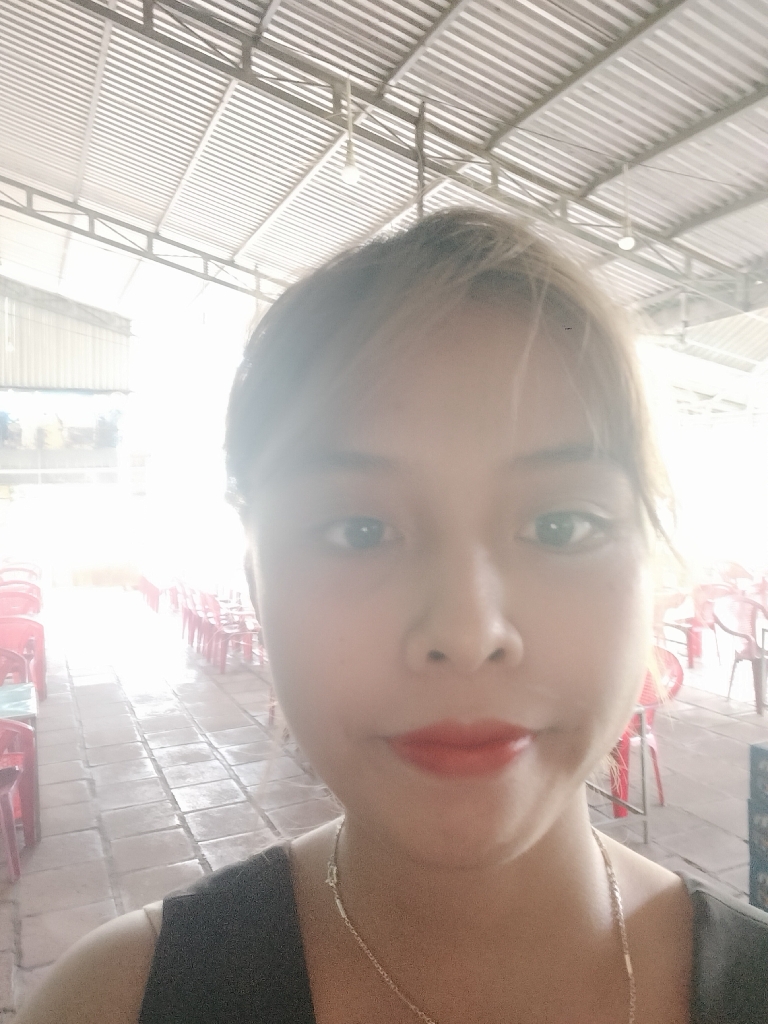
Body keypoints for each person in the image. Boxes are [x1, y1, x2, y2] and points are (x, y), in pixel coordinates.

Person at [17, 209, 768, 1024]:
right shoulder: (112, 1004)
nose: (467, 634)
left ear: (653, 574)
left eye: (562, 526)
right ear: (259, 588)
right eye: (358, 531)